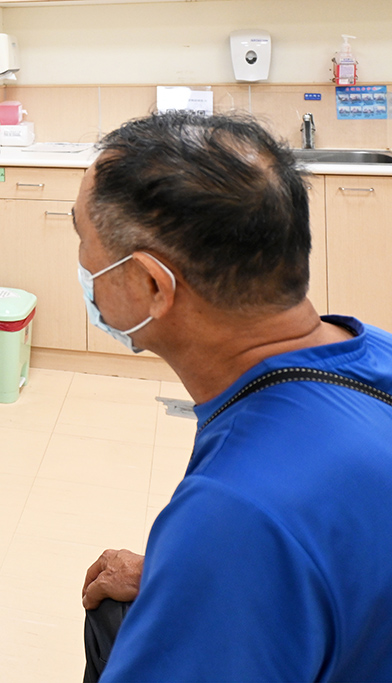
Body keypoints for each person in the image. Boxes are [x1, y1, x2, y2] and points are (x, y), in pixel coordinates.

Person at [75, 111, 392, 681]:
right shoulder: (374, 354)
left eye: (82, 238)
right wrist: (186, 576)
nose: (81, 265)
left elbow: (265, 530)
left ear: (150, 285)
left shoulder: (235, 513)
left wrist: (215, 567)